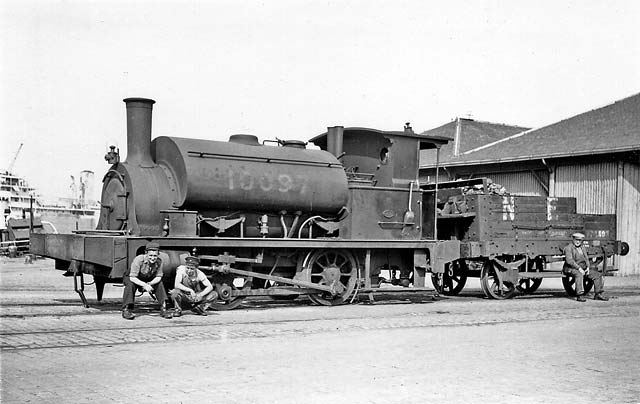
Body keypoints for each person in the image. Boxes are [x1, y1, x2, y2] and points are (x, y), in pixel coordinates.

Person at [122, 242, 172, 319]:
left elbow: (158, 277)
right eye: (150, 255)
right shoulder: (138, 259)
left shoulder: (159, 262)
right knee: (130, 285)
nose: (153, 258)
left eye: (155, 256)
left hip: (148, 278)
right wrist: (145, 285)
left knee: (159, 284)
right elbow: (132, 277)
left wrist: (150, 284)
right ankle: (126, 310)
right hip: (133, 277)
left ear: (158, 254)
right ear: (146, 254)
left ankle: (163, 309)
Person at [562, 233, 608, 302]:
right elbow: (570, 261)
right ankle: (579, 295)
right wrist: (579, 269)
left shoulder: (582, 247)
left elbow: (586, 258)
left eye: (579, 240)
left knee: (597, 275)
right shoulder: (568, 248)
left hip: (582, 268)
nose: (578, 242)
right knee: (579, 274)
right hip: (571, 268)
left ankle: (598, 294)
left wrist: (588, 268)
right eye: (576, 240)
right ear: (573, 239)